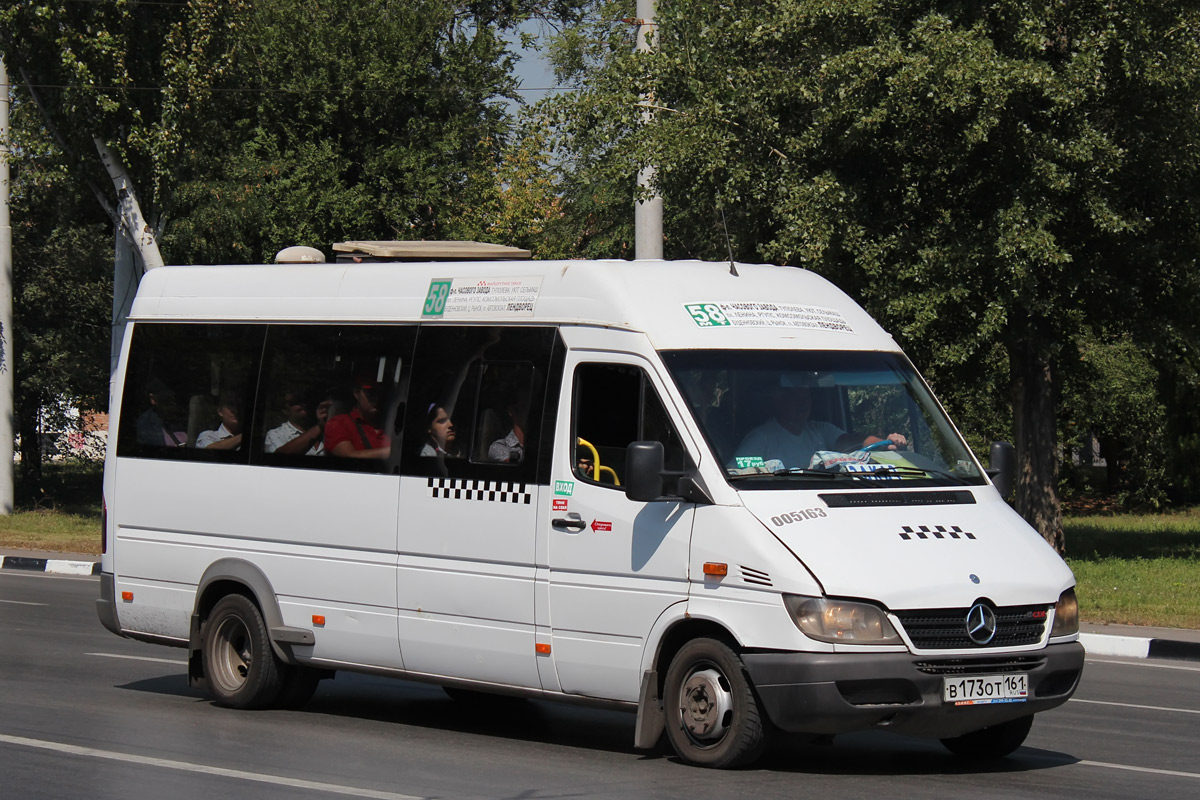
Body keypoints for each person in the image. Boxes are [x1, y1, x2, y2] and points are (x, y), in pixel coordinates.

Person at [732, 379, 906, 469]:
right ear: (778, 401)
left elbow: (852, 441)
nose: (803, 403)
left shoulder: (820, 430)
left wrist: (885, 444)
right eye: (795, 397)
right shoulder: (762, 438)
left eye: (806, 397)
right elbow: (736, 470)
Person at [324, 377, 390, 458]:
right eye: (370, 393)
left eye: (379, 393)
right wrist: (391, 452)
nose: (376, 398)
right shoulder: (339, 423)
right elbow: (348, 456)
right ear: (356, 393)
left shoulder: (391, 425)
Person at [264, 389, 330, 456]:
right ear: (285, 410)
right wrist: (319, 427)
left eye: (305, 400)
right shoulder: (275, 434)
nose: (302, 404)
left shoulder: (330, 428)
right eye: (295, 402)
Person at [135, 379, 187, 447]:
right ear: (152, 398)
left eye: (176, 399)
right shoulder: (146, 425)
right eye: (167, 400)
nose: (173, 404)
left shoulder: (189, 418)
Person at [488, 391, 530, 463]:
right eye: (523, 406)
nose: (527, 411)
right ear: (511, 410)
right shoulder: (498, 446)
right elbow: (515, 462)